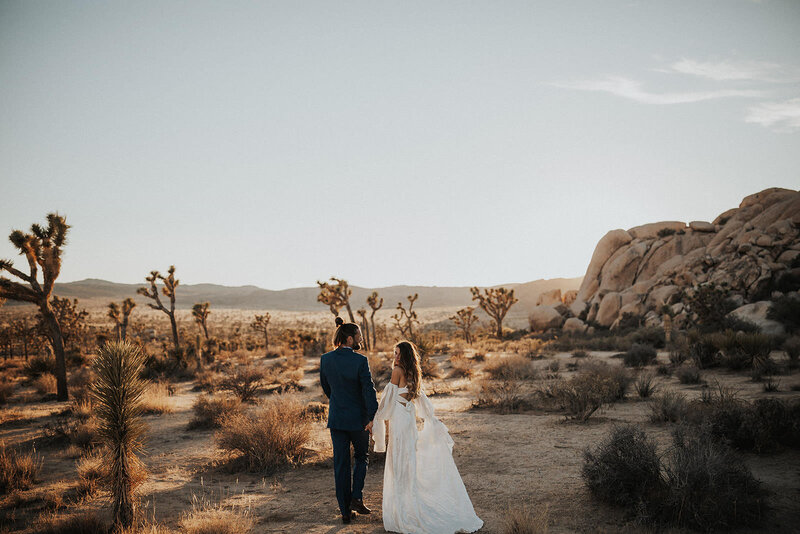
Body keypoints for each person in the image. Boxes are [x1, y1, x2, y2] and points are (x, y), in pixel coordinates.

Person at [372, 341, 483, 534]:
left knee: (399, 462)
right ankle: (410, 504)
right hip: (409, 419)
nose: (395, 357)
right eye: (394, 353)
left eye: (398, 354)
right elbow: (419, 399)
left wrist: (377, 417)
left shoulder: (397, 371)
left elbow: (388, 401)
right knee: (408, 460)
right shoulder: (414, 372)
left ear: (404, 355)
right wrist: (431, 419)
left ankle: (402, 512)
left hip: (400, 419)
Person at [319, 317, 379, 524]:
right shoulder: (360, 361)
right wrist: (372, 416)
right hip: (358, 420)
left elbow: (327, 388)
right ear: (350, 338)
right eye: (359, 336)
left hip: (337, 419)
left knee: (341, 464)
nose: (361, 339)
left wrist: (338, 402)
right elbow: (368, 390)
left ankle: (345, 511)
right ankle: (356, 497)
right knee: (362, 457)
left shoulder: (325, 359)